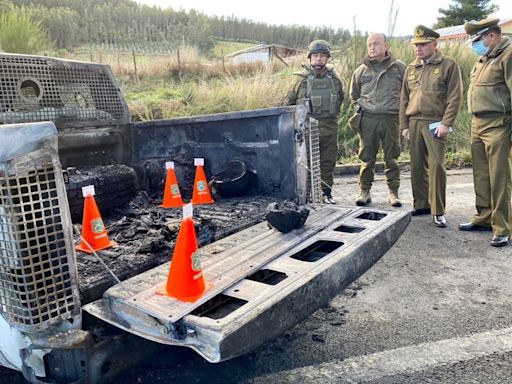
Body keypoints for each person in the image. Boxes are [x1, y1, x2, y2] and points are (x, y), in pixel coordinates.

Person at [399, 25, 462, 227]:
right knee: (417, 166)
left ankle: (438, 210)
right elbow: (404, 99)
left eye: (423, 44)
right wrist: (404, 125)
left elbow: (455, 97)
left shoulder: (448, 65)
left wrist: (446, 123)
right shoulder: (411, 67)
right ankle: (422, 204)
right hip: (415, 121)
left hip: (436, 122)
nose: (418, 48)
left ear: (435, 44)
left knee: (436, 166)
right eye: (416, 45)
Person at [459, 18, 512, 247]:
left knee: (500, 178)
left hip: (499, 123)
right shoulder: (484, 58)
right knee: (481, 175)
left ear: (491, 36)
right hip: (477, 123)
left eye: (477, 39)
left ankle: (502, 227)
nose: (474, 44)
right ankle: (484, 217)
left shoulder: (508, 55)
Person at [350, 33, 406, 207]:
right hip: (368, 120)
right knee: (367, 158)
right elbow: (354, 95)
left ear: (386, 45)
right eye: (369, 45)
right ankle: (364, 191)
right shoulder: (360, 71)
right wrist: (362, 109)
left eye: (376, 44)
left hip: (391, 119)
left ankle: (393, 192)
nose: (372, 47)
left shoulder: (399, 68)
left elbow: (408, 92)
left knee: (392, 157)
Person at [288, 40, 344, 204]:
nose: (319, 59)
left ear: (327, 58)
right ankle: (306, 195)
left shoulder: (335, 80)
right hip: (306, 129)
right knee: (305, 164)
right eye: (315, 55)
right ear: (310, 58)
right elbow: (288, 104)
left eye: (322, 56)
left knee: (328, 162)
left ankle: (326, 193)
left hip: (329, 128)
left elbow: (341, 99)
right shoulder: (299, 80)